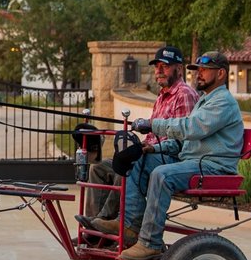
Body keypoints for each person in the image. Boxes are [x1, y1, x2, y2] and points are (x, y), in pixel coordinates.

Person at [116, 50, 246, 260]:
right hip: (195, 161)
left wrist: (153, 125)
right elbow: (183, 143)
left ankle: (150, 243)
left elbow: (191, 128)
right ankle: (131, 225)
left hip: (214, 166)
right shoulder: (206, 100)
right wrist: (154, 149)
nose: (198, 74)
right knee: (137, 160)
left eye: (204, 70)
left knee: (162, 174)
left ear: (221, 74)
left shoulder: (223, 102)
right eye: (198, 70)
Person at [75, 45, 198, 233]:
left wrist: (148, 148)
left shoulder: (184, 94)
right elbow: (151, 135)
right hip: (153, 154)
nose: (159, 71)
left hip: (171, 158)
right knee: (99, 168)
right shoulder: (162, 96)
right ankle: (94, 225)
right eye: (156, 67)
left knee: (128, 162)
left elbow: (183, 139)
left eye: (164, 66)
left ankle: (105, 222)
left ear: (179, 69)